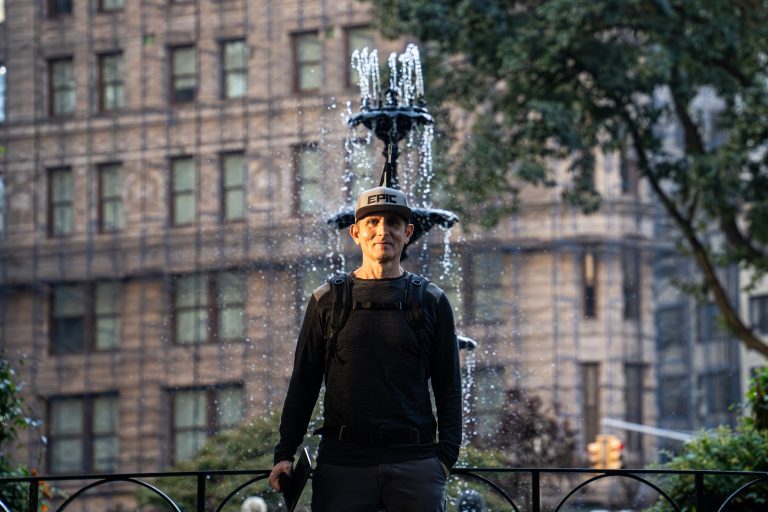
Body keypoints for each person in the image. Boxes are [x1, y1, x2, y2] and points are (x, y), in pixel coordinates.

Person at [269, 185, 462, 511]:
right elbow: (304, 383)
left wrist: (444, 459)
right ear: (356, 232)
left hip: (416, 466)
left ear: (408, 232)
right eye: (372, 222)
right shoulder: (326, 300)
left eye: (393, 222)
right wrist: (284, 454)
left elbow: (449, 386)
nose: (382, 230)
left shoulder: (432, 301)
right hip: (342, 466)